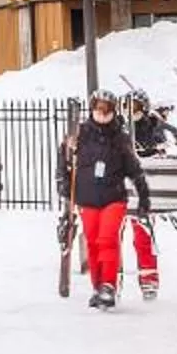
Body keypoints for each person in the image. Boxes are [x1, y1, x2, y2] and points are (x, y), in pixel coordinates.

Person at [58, 91, 157, 309]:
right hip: (87, 198)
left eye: (107, 109)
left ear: (113, 111)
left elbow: (135, 170)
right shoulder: (79, 135)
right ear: (92, 109)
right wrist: (64, 184)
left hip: (113, 198)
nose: (102, 114)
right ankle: (98, 287)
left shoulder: (120, 138)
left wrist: (144, 197)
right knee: (93, 242)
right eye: (99, 109)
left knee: (107, 239)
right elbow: (64, 163)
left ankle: (108, 286)